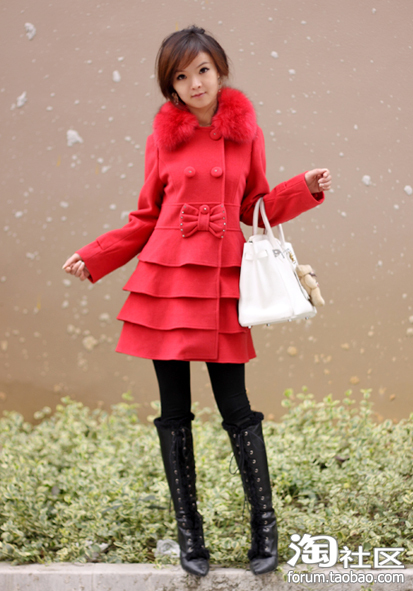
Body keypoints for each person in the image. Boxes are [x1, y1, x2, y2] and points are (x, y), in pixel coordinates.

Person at [63, 25, 331, 577]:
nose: (195, 83)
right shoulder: (162, 139)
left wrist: (303, 186)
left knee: (237, 407)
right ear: (172, 86)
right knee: (174, 411)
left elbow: (254, 205)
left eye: (203, 70)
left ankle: (264, 527)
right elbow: (145, 216)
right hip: (167, 281)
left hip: (222, 281)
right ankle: (191, 535)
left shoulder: (247, 134)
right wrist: (95, 256)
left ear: (220, 70)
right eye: (181, 76)